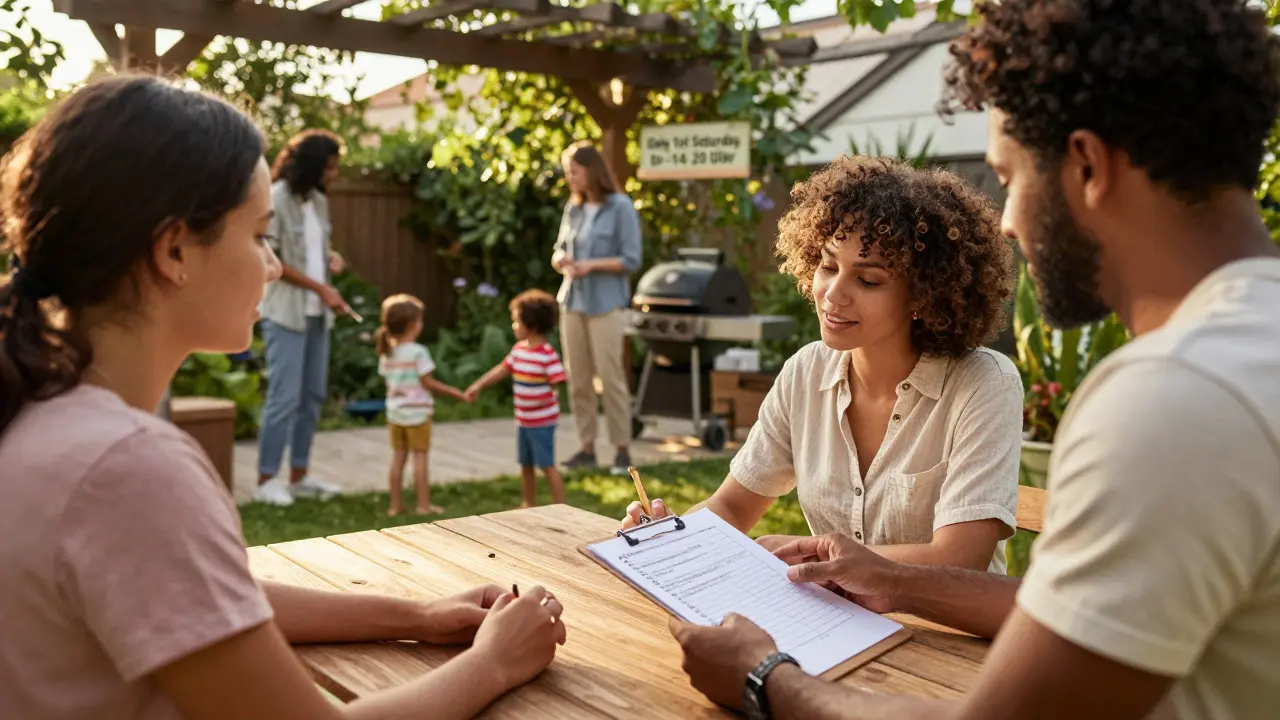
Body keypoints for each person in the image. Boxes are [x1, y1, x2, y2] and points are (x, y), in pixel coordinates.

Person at [667, 1, 1280, 718]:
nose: (1011, 222)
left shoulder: (1174, 398)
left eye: (1009, 176)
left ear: (1086, 164)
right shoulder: (1248, 353)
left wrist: (765, 676)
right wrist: (881, 579)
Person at [0, 75, 566, 720]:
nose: (272, 265)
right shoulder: (127, 466)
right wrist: (493, 662)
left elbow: (203, 597)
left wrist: (419, 615)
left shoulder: (43, 413)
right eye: (260, 235)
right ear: (175, 249)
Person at [624, 156, 1022, 574]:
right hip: (831, 624)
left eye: (867, 280)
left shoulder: (983, 385)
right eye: (828, 266)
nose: (833, 294)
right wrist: (671, 535)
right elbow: (731, 506)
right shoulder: (806, 372)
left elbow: (961, 558)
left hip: (942, 633)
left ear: (925, 296)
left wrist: (813, 553)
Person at [253, 129, 355, 507]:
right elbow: (273, 259)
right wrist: (321, 289)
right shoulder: (277, 199)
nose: (334, 174)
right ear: (312, 165)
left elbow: (316, 248)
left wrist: (332, 259)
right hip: (286, 313)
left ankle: (299, 475)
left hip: (317, 316)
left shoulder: (319, 202)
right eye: (329, 167)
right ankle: (266, 480)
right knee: (284, 398)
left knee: (311, 396)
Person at [551, 141, 643, 476]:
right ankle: (586, 448)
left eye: (573, 171)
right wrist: (560, 259)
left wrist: (591, 265)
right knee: (577, 379)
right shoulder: (573, 208)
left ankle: (621, 451)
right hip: (572, 301)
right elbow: (559, 248)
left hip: (607, 304)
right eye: (567, 172)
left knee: (610, 376)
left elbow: (631, 259)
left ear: (591, 170)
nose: (569, 178)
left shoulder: (621, 207)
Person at [466, 289, 568, 507]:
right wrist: (478, 385)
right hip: (523, 420)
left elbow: (558, 381)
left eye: (516, 322)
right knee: (526, 463)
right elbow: (501, 370)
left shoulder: (547, 354)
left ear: (530, 325)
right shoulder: (518, 350)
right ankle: (528, 503)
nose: (513, 326)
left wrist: (545, 397)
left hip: (542, 422)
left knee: (547, 465)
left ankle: (562, 506)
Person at [375, 293, 468, 517]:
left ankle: (395, 506)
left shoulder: (386, 352)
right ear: (412, 325)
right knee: (419, 458)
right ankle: (424, 506)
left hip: (395, 415)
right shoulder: (418, 352)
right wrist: (454, 392)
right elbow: (428, 383)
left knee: (398, 458)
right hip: (417, 415)